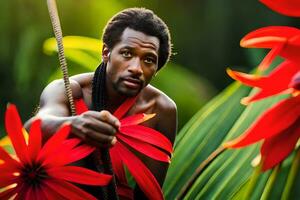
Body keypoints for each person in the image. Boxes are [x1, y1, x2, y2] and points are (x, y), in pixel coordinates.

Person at [25, 7, 177, 199]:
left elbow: (149, 194)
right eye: (127, 54)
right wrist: (74, 124)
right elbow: (35, 125)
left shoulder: (162, 110)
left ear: (156, 69)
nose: (136, 68)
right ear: (106, 53)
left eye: (148, 59)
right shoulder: (69, 90)